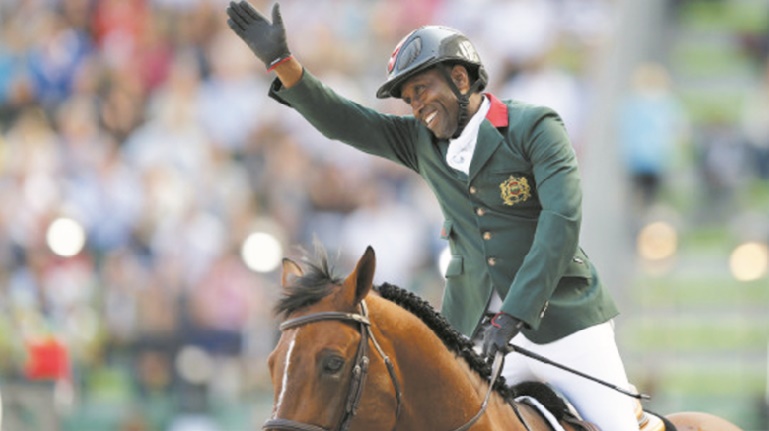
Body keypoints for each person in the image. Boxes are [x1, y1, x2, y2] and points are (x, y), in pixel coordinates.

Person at [226, 2, 638, 429]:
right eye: (408, 99)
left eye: (421, 90)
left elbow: (561, 223)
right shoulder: (420, 142)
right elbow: (343, 121)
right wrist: (284, 64)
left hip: (565, 327)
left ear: (460, 78)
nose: (416, 106)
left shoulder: (534, 127)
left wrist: (513, 314)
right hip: (477, 337)